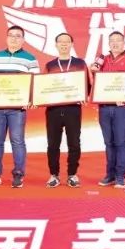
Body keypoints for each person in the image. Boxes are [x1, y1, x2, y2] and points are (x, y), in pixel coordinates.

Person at [0, 26, 39, 189]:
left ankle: (18, 174)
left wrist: (31, 99)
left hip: (18, 108)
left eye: (18, 36)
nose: (14, 39)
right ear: (6, 38)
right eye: (11, 35)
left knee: (17, 141)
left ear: (23, 40)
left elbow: (35, 83)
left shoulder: (31, 59)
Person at [90, 30, 125, 189]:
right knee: (108, 142)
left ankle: (120, 176)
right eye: (112, 40)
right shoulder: (102, 60)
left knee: (120, 142)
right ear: (108, 43)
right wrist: (93, 72)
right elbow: (95, 84)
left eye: (118, 40)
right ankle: (110, 175)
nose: (115, 43)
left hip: (121, 109)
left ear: (124, 43)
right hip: (104, 107)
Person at [44, 32, 87, 188]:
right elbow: (43, 87)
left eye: (67, 41)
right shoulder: (50, 65)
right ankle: (54, 175)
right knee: (53, 144)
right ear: (56, 45)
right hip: (53, 110)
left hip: (73, 109)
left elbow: (87, 84)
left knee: (74, 143)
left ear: (71, 44)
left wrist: (84, 95)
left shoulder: (80, 63)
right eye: (60, 41)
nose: (64, 44)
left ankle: (72, 174)